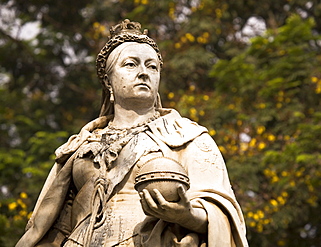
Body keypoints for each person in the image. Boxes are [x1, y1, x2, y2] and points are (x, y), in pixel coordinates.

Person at [16, 19, 249, 247]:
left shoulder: (188, 137)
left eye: (152, 66)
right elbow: (52, 227)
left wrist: (184, 216)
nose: (143, 73)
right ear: (108, 81)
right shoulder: (80, 145)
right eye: (131, 64)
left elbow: (223, 213)